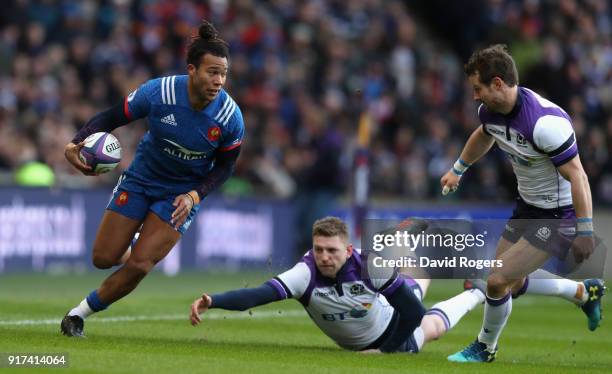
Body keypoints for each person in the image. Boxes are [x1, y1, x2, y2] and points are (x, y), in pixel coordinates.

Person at [61, 20, 244, 337]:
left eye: (223, 74)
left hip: (180, 195)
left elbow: (225, 167)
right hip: (141, 179)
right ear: (191, 70)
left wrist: (194, 196)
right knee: (104, 258)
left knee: (142, 264)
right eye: (211, 72)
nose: (218, 81)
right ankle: (135, 246)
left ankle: (78, 314)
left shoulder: (230, 118)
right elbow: (111, 117)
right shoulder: (159, 92)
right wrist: (76, 142)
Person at [440, 44, 605, 362]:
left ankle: (485, 348)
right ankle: (583, 293)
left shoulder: (545, 124)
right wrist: (457, 169)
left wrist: (584, 229)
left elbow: (579, 177)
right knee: (508, 284)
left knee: (497, 280)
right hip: (528, 207)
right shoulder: (490, 112)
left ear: (498, 83)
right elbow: (485, 134)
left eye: (479, 89)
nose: (475, 96)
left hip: (559, 215)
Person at [190, 217, 486, 353]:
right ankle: (404, 239)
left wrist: (385, 353)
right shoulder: (304, 274)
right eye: (319, 249)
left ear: (348, 251)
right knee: (414, 283)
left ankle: (477, 291)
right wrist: (213, 301)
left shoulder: (370, 266)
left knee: (430, 325)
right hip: (376, 307)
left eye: (332, 250)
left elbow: (413, 314)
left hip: (390, 327)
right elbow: (257, 295)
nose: (324, 257)